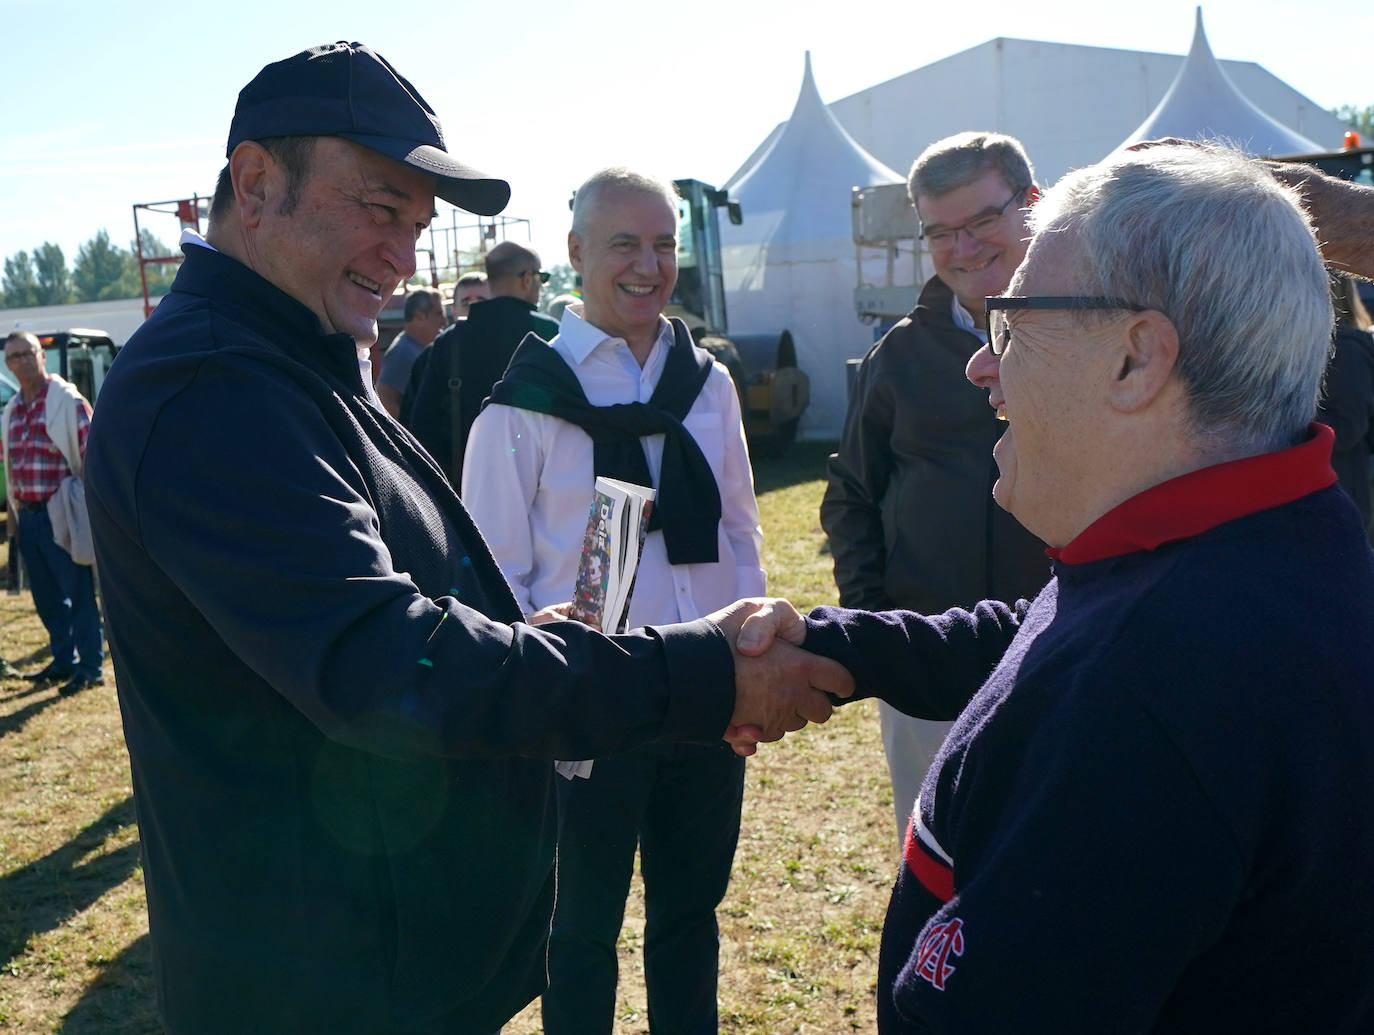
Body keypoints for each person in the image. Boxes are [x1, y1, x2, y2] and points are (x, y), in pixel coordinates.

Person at [82, 42, 849, 1034]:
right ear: (256, 183)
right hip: (316, 975)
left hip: (366, 953)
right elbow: (383, 661)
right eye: (379, 208)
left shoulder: (288, 358)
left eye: (418, 224)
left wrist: (539, 635)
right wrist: (696, 677)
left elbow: (394, 616)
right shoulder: (213, 389)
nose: (403, 258)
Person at [747, 143, 1374, 1032]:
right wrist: (846, 643)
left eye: (1014, 323)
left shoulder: (1147, 692)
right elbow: (1041, 625)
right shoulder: (1249, 545)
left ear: (1136, 359)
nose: (983, 366)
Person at [463, 168, 763, 1035]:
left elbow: (740, 534)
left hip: (705, 690)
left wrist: (750, 669)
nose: (649, 264)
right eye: (625, 244)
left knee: (688, 916)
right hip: (586, 705)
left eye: (664, 244)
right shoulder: (522, 406)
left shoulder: (707, 386)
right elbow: (495, 585)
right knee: (578, 930)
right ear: (576, 254)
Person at [819, 132, 1050, 840]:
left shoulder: (1091, 332)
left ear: (1033, 206)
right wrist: (880, 629)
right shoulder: (899, 357)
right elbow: (851, 495)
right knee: (937, 861)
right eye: (941, 231)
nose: (965, 246)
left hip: (1057, 652)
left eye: (983, 220)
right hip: (927, 665)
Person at [402, 240, 558, 483]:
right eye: (542, 277)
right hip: (542, 486)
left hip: (463, 489)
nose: (542, 285)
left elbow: (420, 424)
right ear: (527, 278)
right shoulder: (548, 333)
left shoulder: (449, 342)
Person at [2, 330, 103, 696]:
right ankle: (64, 660)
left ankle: (91, 667)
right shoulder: (12, 410)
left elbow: (92, 456)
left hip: (61, 513)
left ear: (42, 357)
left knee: (77, 593)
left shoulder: (67, 402)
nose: (23, 360)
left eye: (29, 353)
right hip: (27, 517)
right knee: (45, 597)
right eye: (15, 356)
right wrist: (13, 522)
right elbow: (11, 468)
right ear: (7, 365)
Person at [1317, 274, 1374, 532]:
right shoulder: (1322, 347)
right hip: (1328, 488)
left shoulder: (1347, 349)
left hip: (1345, 490)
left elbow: (1348, 427)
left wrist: (1282, 416)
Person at [374, 285, 444, 417]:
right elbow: (385, 399)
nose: (444, 321)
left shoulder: (414, 349)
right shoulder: (402, 352)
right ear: (419, 317)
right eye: (439, 314)